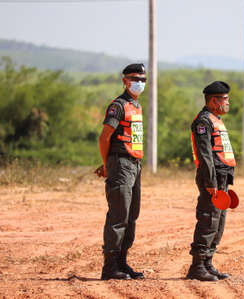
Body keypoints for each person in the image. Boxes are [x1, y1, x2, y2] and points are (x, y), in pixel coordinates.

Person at [94, 63, 146, 280]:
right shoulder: (119, 105)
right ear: (125, 80)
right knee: (119, 214)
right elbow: (105, 137)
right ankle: (110, 267)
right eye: (135, 78)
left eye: (143, 79)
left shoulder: (136, 106)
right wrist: (107, 165)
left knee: (132, 214)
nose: (140, 83)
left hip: (134, 164)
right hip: (121, 163)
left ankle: (122, 262)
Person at [187, 81, 236, 281]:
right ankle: (197, 267)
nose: (228, 102)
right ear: (213, 100)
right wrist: (210, 182)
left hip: (222, 178)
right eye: (225, 99)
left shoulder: (216, 119)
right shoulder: (203, 122)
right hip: (212, 178)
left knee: (219, 222)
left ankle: (208, 263)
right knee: (208, 220)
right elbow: (205, 155)